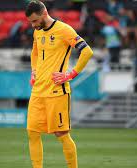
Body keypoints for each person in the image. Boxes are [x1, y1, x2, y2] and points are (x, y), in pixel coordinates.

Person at [25, 1, 93, 168]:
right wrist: (34, 70)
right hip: (38, 91)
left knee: (61, 134)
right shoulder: (37, 32)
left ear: (44, 13)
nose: (33, 25)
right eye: (31, 22)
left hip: (57, 92)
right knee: (32, 133)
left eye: (34, 21)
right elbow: (35, 52)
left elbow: (87, 51)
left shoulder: (64, 30)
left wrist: (70, 74)